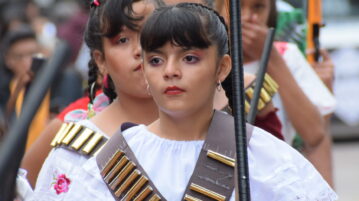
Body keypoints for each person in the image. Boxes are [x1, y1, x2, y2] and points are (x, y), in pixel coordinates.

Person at [39, 3, 336, 200]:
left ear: (222, 67)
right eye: (155, 60)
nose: (170, 71)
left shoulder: (265, 157)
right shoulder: (106, 165)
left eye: (190, 58)